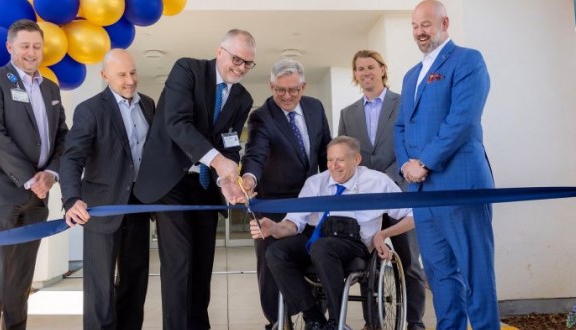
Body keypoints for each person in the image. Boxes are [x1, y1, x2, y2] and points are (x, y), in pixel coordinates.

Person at [134, 29, 255, 329]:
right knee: (178, 264)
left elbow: (231, 144)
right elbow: (177, 123)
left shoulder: (243, 98)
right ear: (220, 52)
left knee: (202, 264)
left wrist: (227, 180)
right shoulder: (187, 69)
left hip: (204, 186)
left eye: (248, 63)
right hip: (171, 182)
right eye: (236, 59)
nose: (240, 68)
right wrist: (217, 160)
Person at [393, 0, 499, 329]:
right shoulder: (412, 75)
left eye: (426, 24)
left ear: (444, 23)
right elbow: (400, 126)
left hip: (461, 181)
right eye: (414, 26)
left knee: (475, 271)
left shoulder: (468, 60)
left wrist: (425, 161)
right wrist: (406, 167)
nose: (420, 32)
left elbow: (462, 120)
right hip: (422, 191)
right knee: (438, 272)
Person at [252, 136, 413, 330]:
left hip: (354, 244)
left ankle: (336, 321)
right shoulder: (315, 183)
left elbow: (413, 215)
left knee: (323, 247)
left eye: (340, 160)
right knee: (275, 251)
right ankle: (315, 318)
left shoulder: (378, 182)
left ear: (357, 160)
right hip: (318, 239)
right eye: (330, 160)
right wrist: (274, 228)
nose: (333, 166)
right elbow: (295, 223)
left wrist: (383, 234)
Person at [0, 19, 69, 330]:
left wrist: (51, 173)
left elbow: (62, 135)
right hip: (1, 193)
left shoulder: (51, 88)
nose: (31, 52)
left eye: (36, 46)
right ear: (10, 47)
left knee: (21, 277)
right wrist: (30, 178)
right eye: (24, 46)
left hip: (38, 196)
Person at [60, 49, 155, 330]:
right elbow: (73, 157)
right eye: (122, 75)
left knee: (135, 282)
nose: (130, 80)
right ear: (105, 76)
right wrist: (71, 199)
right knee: (100, 289)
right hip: (101, 209)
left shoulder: (148, 105)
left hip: (138, 207)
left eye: (133, 72)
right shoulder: (90, 109)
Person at [338, 50, 427, 330]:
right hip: (365, 201)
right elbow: (344, 154)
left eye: (370, 67)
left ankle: (415, 321)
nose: (365, 72)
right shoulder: (347, 114)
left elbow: (413, 146)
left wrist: (383, 180)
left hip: (400, 191)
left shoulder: (404, 104)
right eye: (359, 68)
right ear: (355, 75)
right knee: (367, 264)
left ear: (382, 70)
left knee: (409, 261)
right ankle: (371, 322)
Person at [240, 58, 331, 329]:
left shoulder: (315, 108)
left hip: (312, 202)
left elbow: (325, 152)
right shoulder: (261, 116)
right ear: (271, 86)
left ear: (303, 86)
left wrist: (334, 191)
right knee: (271, 267)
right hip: (273, 205)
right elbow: (255, 153)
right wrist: (248, 177)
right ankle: (277, 321)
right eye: (280, 90)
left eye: (293, 90)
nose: (287, 96)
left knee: (314, 257)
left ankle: (315, 316)